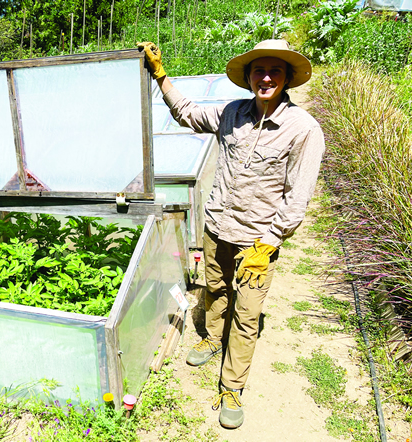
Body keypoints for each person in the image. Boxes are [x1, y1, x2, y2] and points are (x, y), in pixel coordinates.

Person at [138, 40, 325, 429]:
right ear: (249, 77)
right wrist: (161, 76)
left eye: (275, 71)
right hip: (217, 226)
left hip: (257, 242)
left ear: (287, 77)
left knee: (247, 314)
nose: (267, 77)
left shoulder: (304, 129)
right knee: (214, 289)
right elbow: (187, 114)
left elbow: (298, 196)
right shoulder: (232, 113)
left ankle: (232, 386)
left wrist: (271, 242)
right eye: (259, 70)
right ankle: (211, 338)